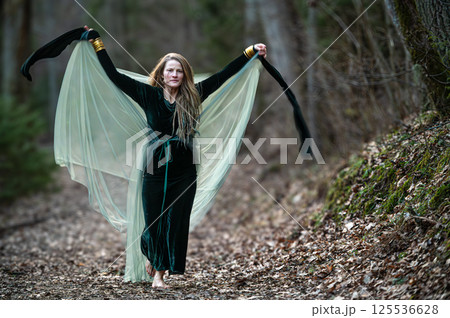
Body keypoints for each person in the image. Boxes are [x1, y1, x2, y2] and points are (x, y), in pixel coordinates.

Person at [82, 26, 267, 288]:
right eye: (170, 70)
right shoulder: (148, 94)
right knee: (153, 220)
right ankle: (153, 255)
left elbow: (224, 75)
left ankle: (159, 274)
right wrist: (97, 43)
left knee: (175, 221)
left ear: (185, 75)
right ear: (161, 73)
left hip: (184, 168)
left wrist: (250, 54)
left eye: (179, 71)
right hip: (153, 165)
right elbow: (112, 75)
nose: (174, 74)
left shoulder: (194, 95)